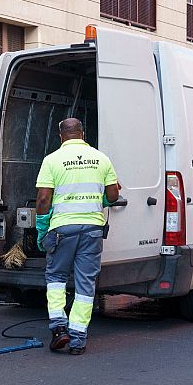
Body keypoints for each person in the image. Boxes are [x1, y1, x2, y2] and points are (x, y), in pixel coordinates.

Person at [35, 118, 119, 355]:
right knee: (85, 283)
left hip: (62, 229)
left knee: (56, 278)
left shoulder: (51, 160)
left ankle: (59, 329)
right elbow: (113, 194)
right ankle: (78, 338)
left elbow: (43, 200)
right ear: (82, 134)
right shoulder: (101, 158)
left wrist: (42, 228)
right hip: (92, 228)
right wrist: (98, 199)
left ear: (60, 136)